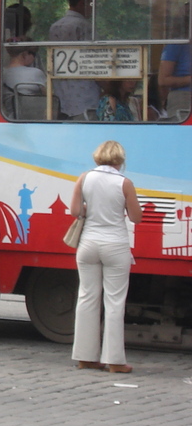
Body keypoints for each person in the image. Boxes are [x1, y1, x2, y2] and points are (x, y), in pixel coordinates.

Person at [70, 141, 142, 373]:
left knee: (87, 297)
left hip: (88, 244)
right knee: (114, 302)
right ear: (119, 161)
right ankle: (114, 361)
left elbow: (75, 211)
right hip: (115, 245)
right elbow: (136, 217)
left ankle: (85, 357)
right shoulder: (125, 183)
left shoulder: (84, 178)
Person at [48, 0, 100, 119]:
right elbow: (94, 61)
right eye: (93, 4)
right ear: (82, 3)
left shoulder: (55, 26)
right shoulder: (84, 26)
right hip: (86, 98)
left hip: (61, 96)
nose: (95, 8)